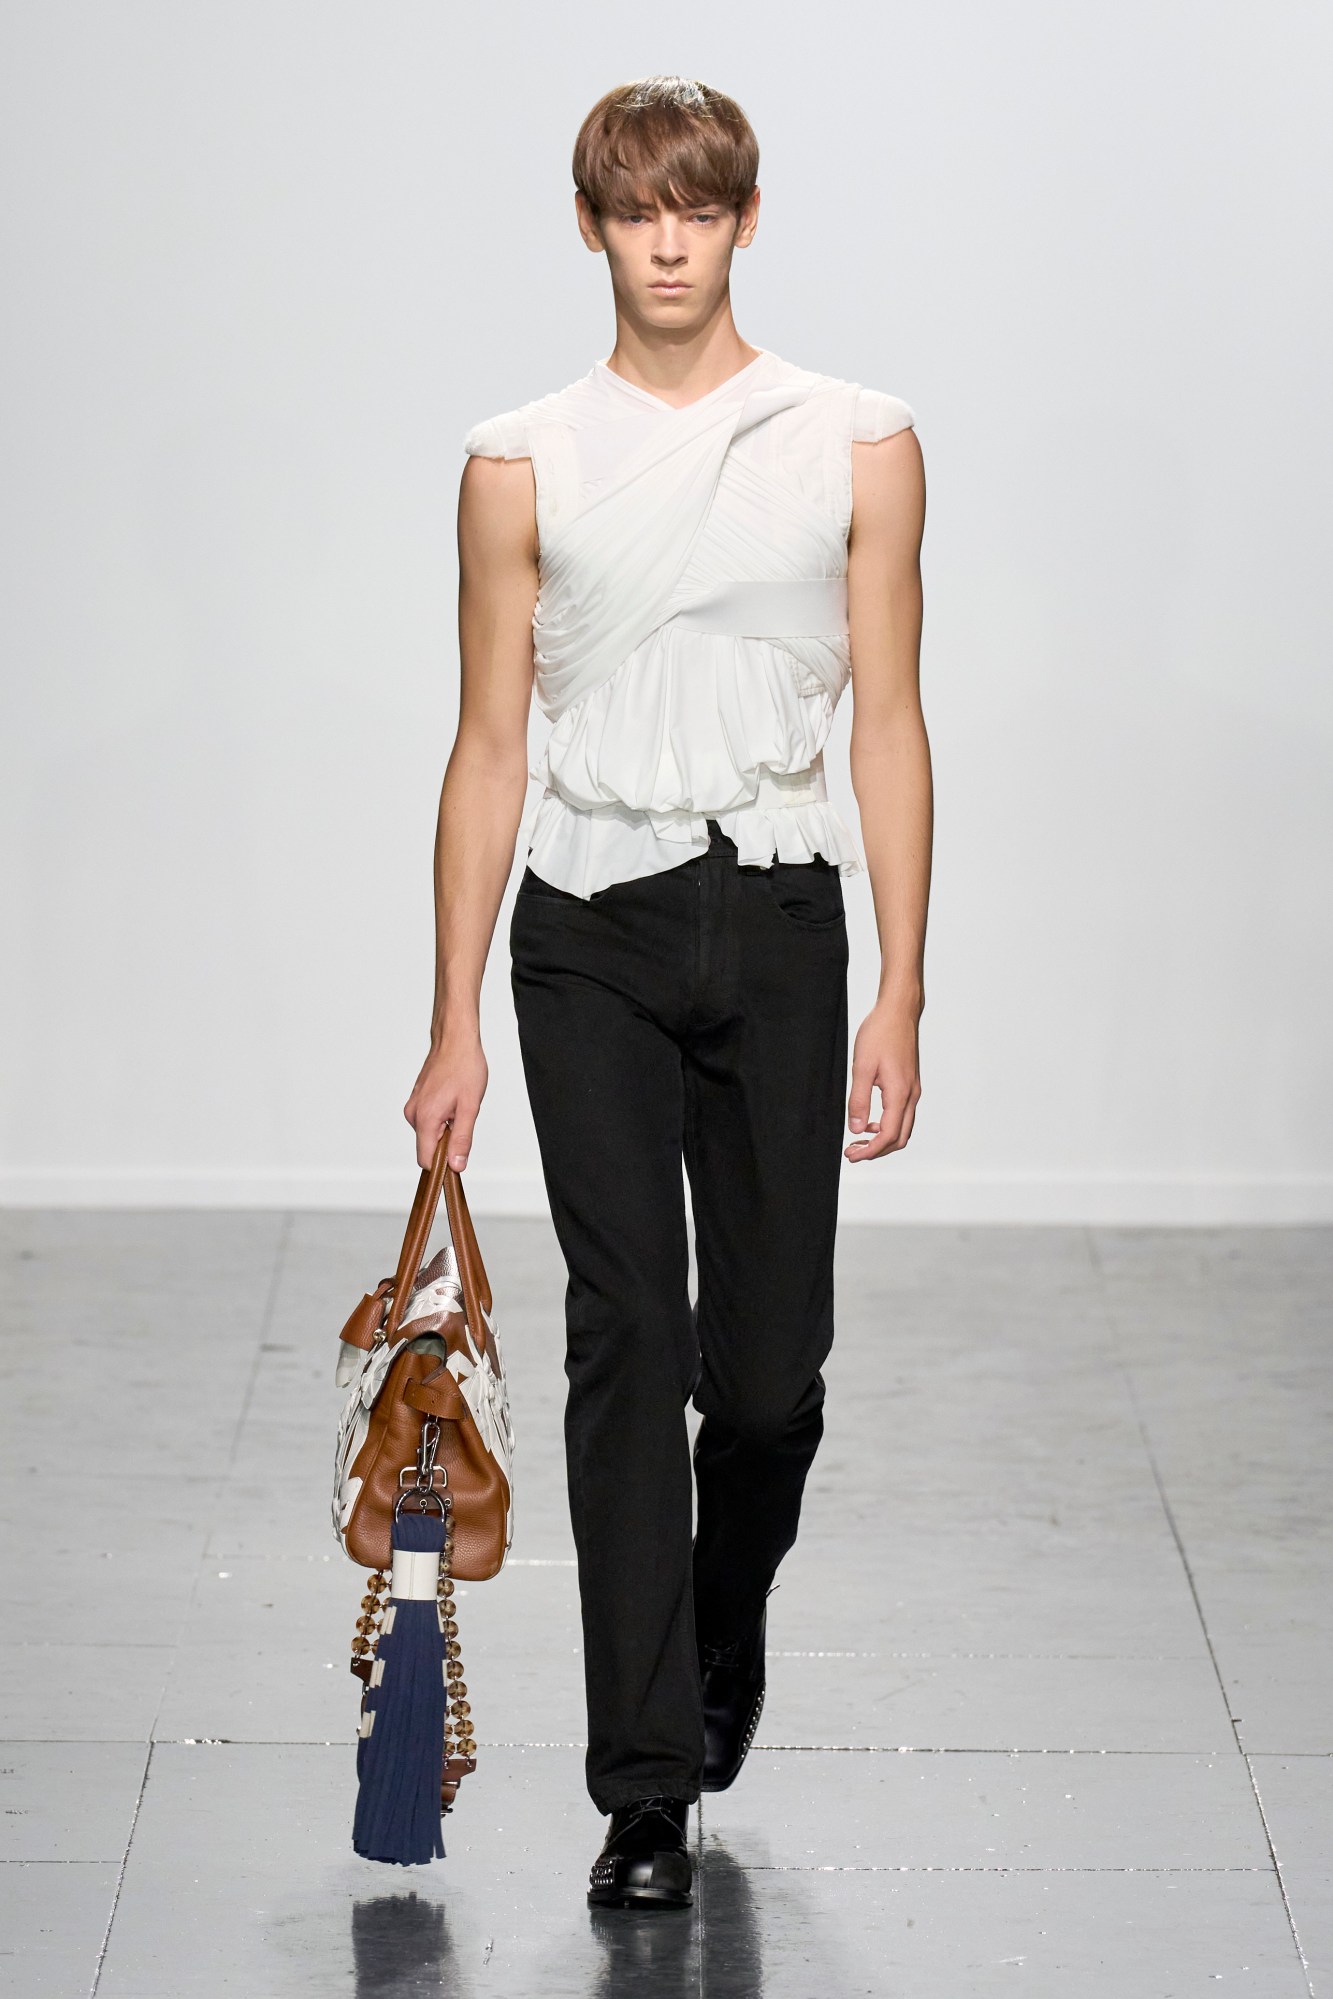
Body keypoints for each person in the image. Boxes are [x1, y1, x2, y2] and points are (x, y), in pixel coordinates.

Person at [405, 74, 931, 1911]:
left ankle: (721, 1623)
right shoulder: (519, 461)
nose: (668, 243)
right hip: (587, 928)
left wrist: (902, 990)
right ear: (591, 227)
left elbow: (887, 720)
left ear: (743, 220)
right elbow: (488, 745)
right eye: (636, 211)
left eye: (697, 209)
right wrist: (454, 1016)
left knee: (767, 1380)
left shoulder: (855, 439)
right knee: (625, 1337)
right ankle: (642, 1786)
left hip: (782, 917)